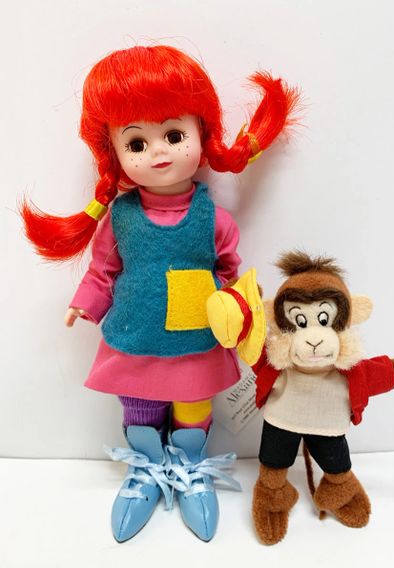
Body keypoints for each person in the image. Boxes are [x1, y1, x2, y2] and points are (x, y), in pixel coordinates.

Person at [21, 44, 299, 542]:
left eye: (173, 135)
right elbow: (103, 270)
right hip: (135, 338)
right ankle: (146, 469)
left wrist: (241, 308)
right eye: (136, 143)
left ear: (201, 134)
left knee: (193, 408)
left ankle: (190, 468)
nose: (159, 152)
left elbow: (231, 273)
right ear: (114, 154)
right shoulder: (120, 217)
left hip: (196, 341)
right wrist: (84, 304)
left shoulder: (214, 219)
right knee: (140, 409)